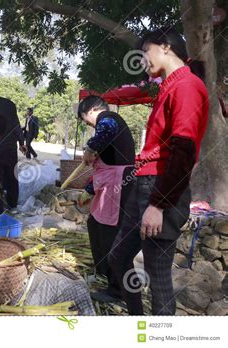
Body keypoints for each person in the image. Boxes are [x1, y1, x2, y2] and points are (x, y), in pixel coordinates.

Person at [108, 27, 209, 315]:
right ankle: (138, 323)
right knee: (118, 257)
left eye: (145, 52)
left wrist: (158, 204)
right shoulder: (169, 85)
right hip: (145, 184)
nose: (143, 60)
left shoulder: (187, 86)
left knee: (158, 275)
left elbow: (184, 151)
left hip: (160, 189)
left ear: (165, 47)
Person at [76, 95, 135, 303]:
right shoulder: (106, 127)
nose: (86, 123)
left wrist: (90, 149)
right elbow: (103, 170)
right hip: (109, 184)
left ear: (91, 110)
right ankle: (104, 272)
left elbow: (106, 131)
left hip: (119, 186)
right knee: (95, 224)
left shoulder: (108, 119)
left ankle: (118, 289)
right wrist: (89, 190)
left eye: (84, 118)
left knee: (111, 235)